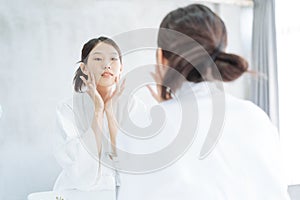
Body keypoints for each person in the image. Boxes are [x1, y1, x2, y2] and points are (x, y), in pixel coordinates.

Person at [117, 4, 291, 200]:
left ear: (161, 57)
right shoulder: (256, 117)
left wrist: (166, 108)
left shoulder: (143, 128)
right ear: (219, 52)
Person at [53, 36, 145, 196]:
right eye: (98, 58)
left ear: (121, 68)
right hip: (76, 193)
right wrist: (98, 111)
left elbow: (131, 166)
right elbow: (80, 175)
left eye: (113, 59)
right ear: (84, 68)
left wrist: (109, 112)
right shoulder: (67, 109)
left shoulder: (134, 106)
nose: (106, 65)